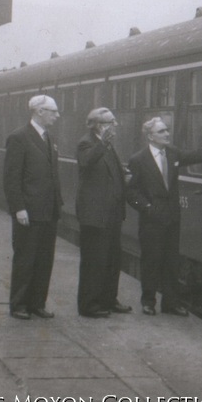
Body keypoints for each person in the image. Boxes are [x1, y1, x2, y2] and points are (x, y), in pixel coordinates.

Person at [126, 115, 202, 316]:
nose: (167, 134)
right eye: (161, 131)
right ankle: (148, 301)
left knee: (171, 261)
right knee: (151, 261)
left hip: (172, 219)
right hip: (151, 220)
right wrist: (147, 208)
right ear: (150, 136)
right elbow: (131, 192)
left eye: (166, 130)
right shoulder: (138, 160)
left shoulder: (173, 153)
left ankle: (170, 303)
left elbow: (194, 155)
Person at [3, 95, 63, 320]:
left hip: (49, 210)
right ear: (39, 111)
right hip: (28, 211)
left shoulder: (50, 138)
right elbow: (11, 178)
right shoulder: (18, 137)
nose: (57, 116)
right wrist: (18, 208)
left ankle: (37, 303)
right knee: (26, 258)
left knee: (45, 259)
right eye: (53, 111)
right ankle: (19, 304)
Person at [75, 107, 133, 318]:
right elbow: (87, 161)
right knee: (94, 260)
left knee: (111, 259)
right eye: (111, 122)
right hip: (95, 214)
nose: (115, 126)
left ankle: (109, 299)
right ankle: (89, 305)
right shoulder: (86, 142)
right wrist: (103, 142)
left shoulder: (107, 145)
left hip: (112, 213)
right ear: (99, 125)